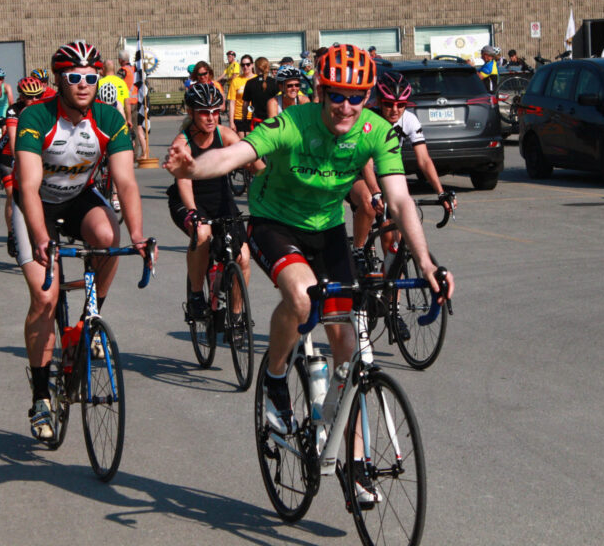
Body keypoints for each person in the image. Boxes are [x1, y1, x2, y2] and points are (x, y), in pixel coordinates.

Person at [163, 45, 453, 481]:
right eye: (337, 94)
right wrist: (192, 170)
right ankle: (276, 376)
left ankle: (351, 455)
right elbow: (234, 155)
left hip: (327, 230)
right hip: (274, 223)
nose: (346, 106)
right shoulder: (292, 123)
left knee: (347, 349)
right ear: (320, 90)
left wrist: (427, 265)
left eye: (357, 96)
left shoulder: (376, 131)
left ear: (368, 96)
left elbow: (399, 199)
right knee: (301, 297)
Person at [13, 41, 154, 441]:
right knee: (45, 298)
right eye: (74, 77)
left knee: (110, 238)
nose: (83, 84)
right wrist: (41, 238)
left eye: (91, 77)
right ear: (59, 79)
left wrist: (139, 235)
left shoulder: (109, 118)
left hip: (77, 197)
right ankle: (41, 397)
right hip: (36, 203)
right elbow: (26, 186)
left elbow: (125, 181)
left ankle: (91, 318)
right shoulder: (36, 116)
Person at [167, 82, 251, 330]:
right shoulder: (182, 142)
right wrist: (193, 212)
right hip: (189, 201)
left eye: (216, 111)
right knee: (202, 234)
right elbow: (184, 181)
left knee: (243, 257)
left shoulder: (225, 135)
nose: (212, 117)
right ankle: (195, 296)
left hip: (222, 202)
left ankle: (236, 317)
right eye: (205, 112)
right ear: (191, 112)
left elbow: (250, 159)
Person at [350, 70, 455, 254]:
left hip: (386, 172)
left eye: (401, 105)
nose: (395, 110)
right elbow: (366, 162)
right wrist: (375, 193)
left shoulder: (409, 120)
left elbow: (424, 160)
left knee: (392, 240)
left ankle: (392, 275)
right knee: (368, 202)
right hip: (357, 171)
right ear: (380, 102)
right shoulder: (369, 120)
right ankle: (358, 251)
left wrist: (441, 192)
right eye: (389, 104)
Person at [0, 77, 45, 257]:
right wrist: (19, 160)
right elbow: (14, 139)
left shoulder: (44, 109)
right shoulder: (13, 111)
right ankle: (11, 233)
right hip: (8, 156)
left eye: (37, 96)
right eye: (28, 97)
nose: (32, 101)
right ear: (21, 96)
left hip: (34, 155)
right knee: (12, 195)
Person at [241, 57, 278, 130]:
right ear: (267, 67)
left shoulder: (250, 83)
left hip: (257, 122)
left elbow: (246, 104)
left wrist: (244, 117)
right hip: (273, 120)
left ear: (256, 68)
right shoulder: (274, 82)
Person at [226, 54, 255, 136]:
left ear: (252, 65)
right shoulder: (236, 81)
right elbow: (232, 103)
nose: (245, 67)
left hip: (253, 116)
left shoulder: (257, 79)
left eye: (248, 64)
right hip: (239, 117)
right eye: (243, 65)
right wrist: (231, 122)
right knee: (241, 144)